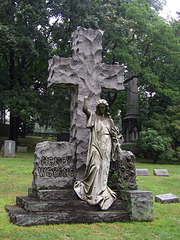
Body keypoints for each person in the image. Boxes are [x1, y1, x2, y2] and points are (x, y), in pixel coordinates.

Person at [74, 96, 122, 210]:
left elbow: (114, 134)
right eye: (100, 107)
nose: (102, 109)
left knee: (104, 168)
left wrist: (116, 141)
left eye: (103, 107)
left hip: (107, 145)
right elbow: (85, 110)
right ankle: (90, 190)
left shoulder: (110, 120)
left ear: (106, 109)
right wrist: (85, 99)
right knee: (95, 166)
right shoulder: (94, 116)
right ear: (97, 108)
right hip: (96, 144)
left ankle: (101, 190)